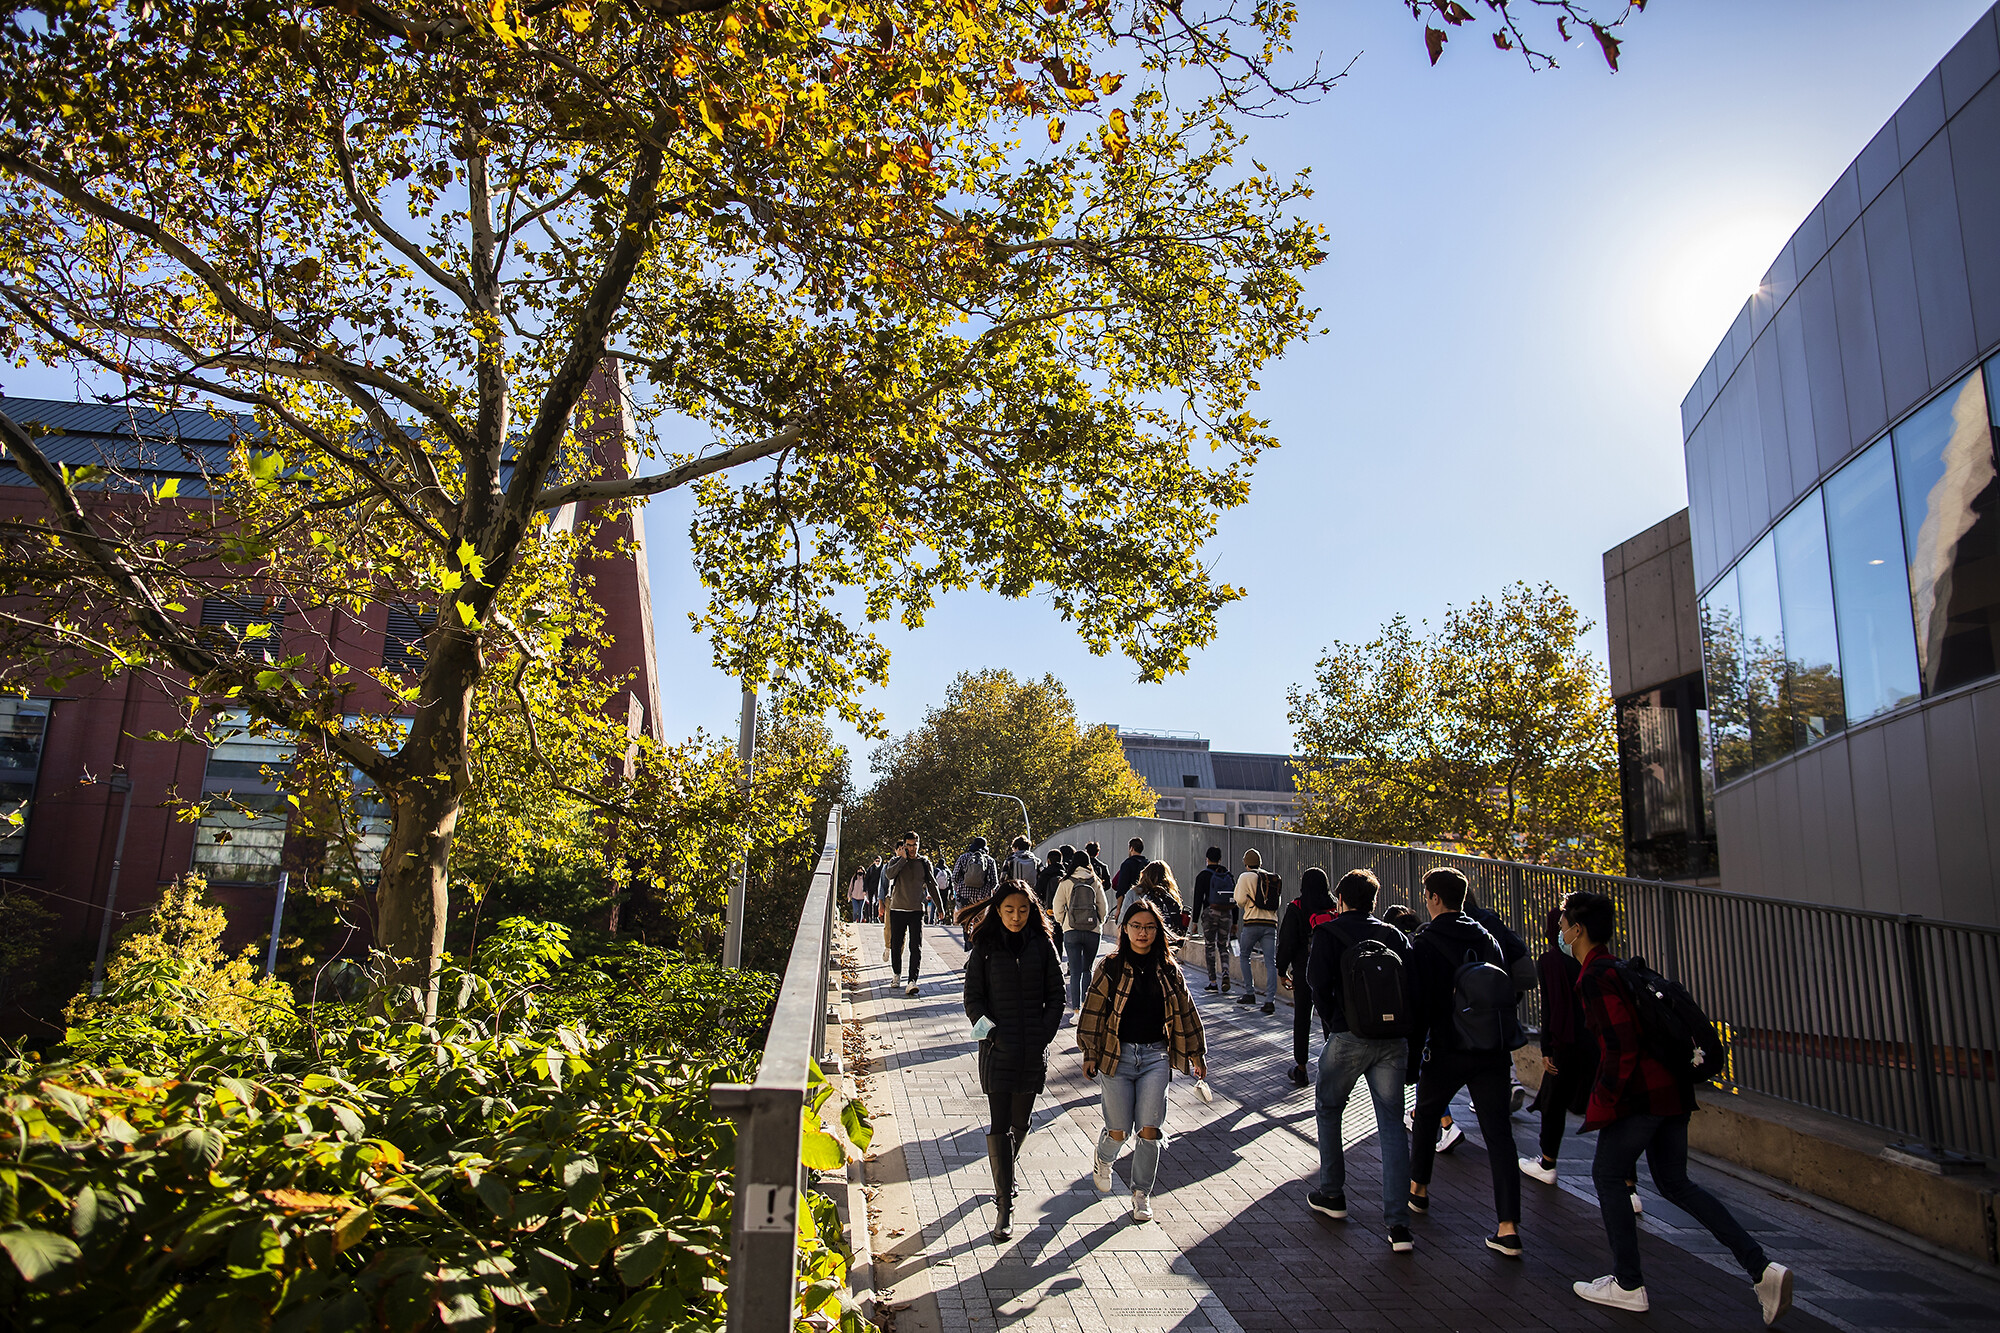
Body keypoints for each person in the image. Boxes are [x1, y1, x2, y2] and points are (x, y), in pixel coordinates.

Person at [1562, 890, 1793, 1324]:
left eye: (1563, 924)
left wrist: (1604, 1100)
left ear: (1578, 929)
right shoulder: (1621, 970)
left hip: (1639, 1097)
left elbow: (1620, 1045)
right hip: (1672, 1091)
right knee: (1675, 1183)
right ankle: (1761, 1268)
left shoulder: (1595, 977)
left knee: (1608, 1176)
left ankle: (1628, 1284)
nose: (1559, 930)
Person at [1405, 867, 1525, 1258]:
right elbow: (1507, 986)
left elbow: (1418, 1004)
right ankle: (1508, 1227)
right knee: (1499, 1135)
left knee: (1425, 1114)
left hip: (1446, 1047)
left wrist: (1412, 1053)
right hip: (1491, 1049)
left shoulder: (1425, 941)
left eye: (1427, 894)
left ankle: (1418, 1190)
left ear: (1435, 898)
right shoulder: (1488, 938)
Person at [1304, 868, 1417, 1252]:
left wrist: (1335, 1019)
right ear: (1374, 900)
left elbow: (1316, 982)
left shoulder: (1328, 934)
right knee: (1391, 1124)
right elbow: (1413, 986)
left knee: (1329, 1106)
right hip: (1393, 1039)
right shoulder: (1394, 936)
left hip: (1348, 1034)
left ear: (1341, 901)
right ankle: (1399, 1224)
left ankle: (1332, 1193)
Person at [1077, 901, 1207, 1223]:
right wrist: (1090, 1052)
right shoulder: (1111, 966)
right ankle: (1104, 1157)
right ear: (1125, 929)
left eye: (1149, 927)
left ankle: (1141, 1194)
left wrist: (1197, 1053)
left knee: (1150, 1129)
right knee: (1119, 1130)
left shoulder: (1168, 969)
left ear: (1157, 931)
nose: (1143, 933)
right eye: (1136, 926)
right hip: (1116, 1056)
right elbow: (1092, 1011)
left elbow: (1187, 1011)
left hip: (1155, 1057)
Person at [960, 883, 1065, 1243]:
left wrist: (1044, 1034)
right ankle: (1004, 1204)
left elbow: (1057, 996)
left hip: (1032, 1050)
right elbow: (973, 1000)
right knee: (999, 1123)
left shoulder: (1042, 946)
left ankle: (1004, 1169)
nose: (1016, 917)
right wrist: (991, 1035)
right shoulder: (985, 948)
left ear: (1031, 911)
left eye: (1022, 910)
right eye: (1008, 910)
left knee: (1021, 1121)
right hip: (997, 1051)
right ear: (998, 911)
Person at [1519, 908, 1596, 1188]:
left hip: (1564, 1042)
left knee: (1553, 1103)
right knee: (1604, 1104)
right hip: (1595, 1041)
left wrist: (1547, 1047)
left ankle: (1547, 1162)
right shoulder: (1593, 960)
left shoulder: (1551, 960)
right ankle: (1629, 1185)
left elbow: (1550, 1007)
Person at [1275, 867, 1337, 1086]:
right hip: (1330, 972)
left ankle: (1301, 1068)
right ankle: (1334, 1066)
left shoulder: (1297, 907)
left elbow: (1287, 942)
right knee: (1330, 1018)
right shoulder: (1334, 908)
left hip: (1303, 972)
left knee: (1302, 1018)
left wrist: (1281, 970)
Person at [1051, 848, 1109, 1014]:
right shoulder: (1095, 881)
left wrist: (1064, 923)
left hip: (1071, 930)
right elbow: (1103, 907)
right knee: (1087, 970)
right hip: (1093, 930)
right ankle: (1086, 1008)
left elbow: (1057, 907)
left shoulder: (1066, 882)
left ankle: (1075, 1009)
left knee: (1075, 971)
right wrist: (1099, 922)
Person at [883, 832, 938, 997]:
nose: (912, 848)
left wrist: (940, 907)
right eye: (909, 845)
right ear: (904, 846)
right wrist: (903, 859)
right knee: (896, 944)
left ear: (919, 844)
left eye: (915, 845)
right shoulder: (896, 861)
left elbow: (932, 884)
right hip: (897, 909)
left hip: (916, 910)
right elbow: (889, 874)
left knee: (916, 946)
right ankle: (896, 974)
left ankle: (912, 981)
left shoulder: (924, 862)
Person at [1232, 848, 1281, 1013]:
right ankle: (1270, 1000)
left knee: (1244, 955)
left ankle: (1249, 993)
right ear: (1260, 862)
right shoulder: (1270, 878)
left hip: (1252, 922)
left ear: (1246, 863)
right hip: (1270, 924)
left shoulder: (1245, 876)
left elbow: (1239, 900)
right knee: (1270, 962)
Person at [1190, 847, 1236, 994]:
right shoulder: (1227, 875)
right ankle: (1226, 973)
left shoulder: (1203, 876)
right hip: (1227, 914)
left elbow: (1198, 899)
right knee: (1223, 945)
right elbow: (1234, 899)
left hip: (1209, 913)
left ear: (1207, 859)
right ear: (1220, 859)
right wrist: (1235, 921)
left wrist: (1195, 921)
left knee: (1210, 946)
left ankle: (1213, 982)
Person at [953, 836, 1000, 911]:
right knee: (980, 921)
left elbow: (955, 878)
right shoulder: (990, 860)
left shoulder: (963, 857)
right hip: (982, 899)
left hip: (964, 897)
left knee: (964, 920)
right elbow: (994, 882)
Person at [864, 855, 887, 923]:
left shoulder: (883, 869)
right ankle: (870, 917)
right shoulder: (870, 869)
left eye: (879, 861)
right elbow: (866, 879)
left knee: (878, 902)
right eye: (876, 861)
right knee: (870, 903)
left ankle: (876, 917)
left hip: (879, 888)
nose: (877, 862)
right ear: (874, 861)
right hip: (870, 887)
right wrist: (864, 890)